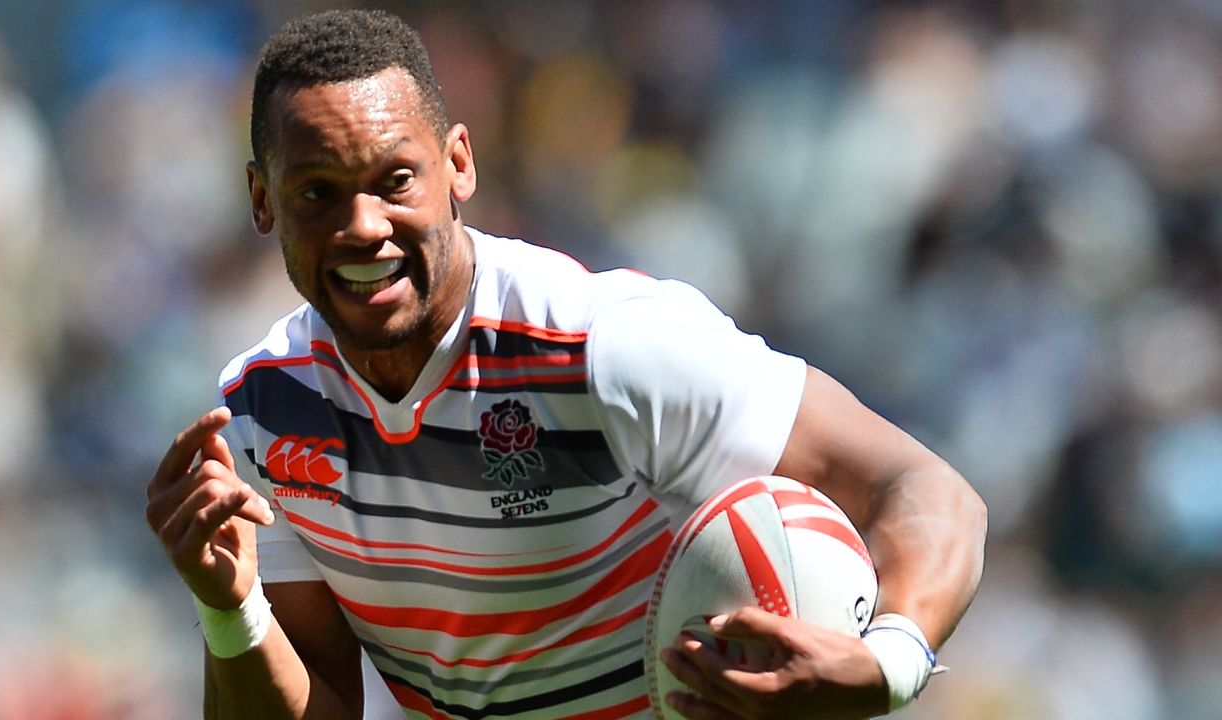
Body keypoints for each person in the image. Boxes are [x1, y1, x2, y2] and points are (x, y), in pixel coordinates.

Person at [144, 8, 987, 720]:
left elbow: (925, 488)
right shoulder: (263, 410)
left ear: (459, 166)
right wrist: (230, 609)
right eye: (316, 192)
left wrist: (890, 663)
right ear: (262, 200)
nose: (363, 224)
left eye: (394, 180)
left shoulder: (604, 346)